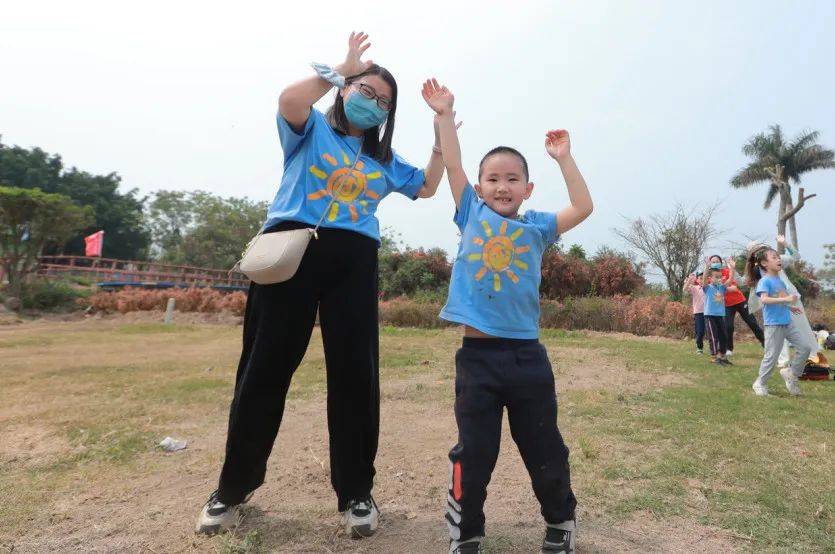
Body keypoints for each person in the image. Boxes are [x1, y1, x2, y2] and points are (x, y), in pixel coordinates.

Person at [196, 32, 446, 537]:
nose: (373, 103)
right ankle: (232, 489)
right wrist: (340, 66)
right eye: (365, 91)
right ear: (344, 90)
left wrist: (443, 136)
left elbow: (426, 185)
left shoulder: (383, 160)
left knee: (356, 375)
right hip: (290, 250)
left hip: (353, 259)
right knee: (264, 369)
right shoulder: (310, 129)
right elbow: (289, 100)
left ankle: (356, 492)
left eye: (383, 101)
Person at [423, 78, 593, 554]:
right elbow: (452, 163)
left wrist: (564, 158)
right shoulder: (470, 213)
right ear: (480, 187)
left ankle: (561, 521)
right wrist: (444, 114)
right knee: (475, 452)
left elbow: (583, 206)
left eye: (512, 178)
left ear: (527, 187)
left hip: (526, 359)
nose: (502, 186)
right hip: (476, 357)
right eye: (493, 179)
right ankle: (467, 532)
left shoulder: (538, 226)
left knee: (544, 448)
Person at [745, 246, 811, 396]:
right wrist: (786, 298)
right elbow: (765, 299)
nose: (778, 259)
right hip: (773, 324)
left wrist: (789, 306)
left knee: (805, 347)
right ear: (764, 263)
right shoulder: (764, 281)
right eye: (774, 257)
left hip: (787, 321)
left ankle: (791, 373)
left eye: (778, 257)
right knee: (771, 356)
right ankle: (760, 383)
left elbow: (780, 299)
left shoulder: (780, 281)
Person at [706, 254, 764, 355]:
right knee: (728, 327)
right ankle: (729, 349)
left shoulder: (727, 272)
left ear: (721, 262)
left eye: (717, 261)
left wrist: (722, 287)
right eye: (713, 261)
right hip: (727, 305)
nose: (715, 263)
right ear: (710, 263)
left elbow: (734, 288)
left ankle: (765, 343)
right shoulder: (710, 276)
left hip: (739, 301)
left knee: (752, 322)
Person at [701, 261, 733, 365]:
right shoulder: (708, 288)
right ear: (711, 278)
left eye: (720, 277)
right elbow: (704, 279)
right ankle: (714, 357)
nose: (719, 279)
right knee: (713, 336)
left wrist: (731, 267)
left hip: (720, 315)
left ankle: (722, 356)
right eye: (716, 277)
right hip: (710, 316)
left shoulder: (722, 288)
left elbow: (730, 279)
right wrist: (707, 267)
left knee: (723, 336)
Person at [683, 272, 706, 354]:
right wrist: (689, 280)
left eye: (704, 278)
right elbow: (685, 289)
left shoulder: (710, 288)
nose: (702, 280)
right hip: (698, 313)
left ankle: (714, 348)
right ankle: (699, 348)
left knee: (712, 331)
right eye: (700, 278)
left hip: (709, 312)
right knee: (700, 332)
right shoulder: (695, 288)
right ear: (697, 280)